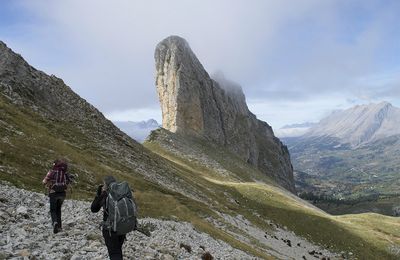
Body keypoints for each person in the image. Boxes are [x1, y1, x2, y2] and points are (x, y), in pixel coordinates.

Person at [91, 176, 126, 260]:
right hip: (123, 227)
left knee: (114, 253)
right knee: (118, 250)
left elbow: (94, 209)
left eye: (104, 184)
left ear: (106, 185)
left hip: (110, 228)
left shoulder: (105, 194)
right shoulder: (122, 193)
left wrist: (98, 195)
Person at [42, 159, 71, 234]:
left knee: (53, 209)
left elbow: (44, 181)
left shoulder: (52, 172)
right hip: (62, 194)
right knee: (59, 209)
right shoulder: (65, 173)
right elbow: (69, 181)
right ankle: (60, 227)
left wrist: (47, 183)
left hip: (53, 192)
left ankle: (55, 223)